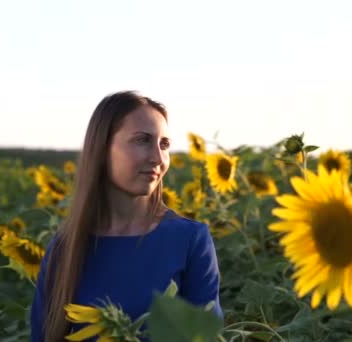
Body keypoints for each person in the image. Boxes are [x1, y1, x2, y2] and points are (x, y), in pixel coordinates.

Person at [30, 91, 223, 341]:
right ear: (102, 148)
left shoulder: (189, 241)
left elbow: (205, 337)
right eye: (142, 140)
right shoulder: (65, 247)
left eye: (164, 144)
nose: (158, 158)